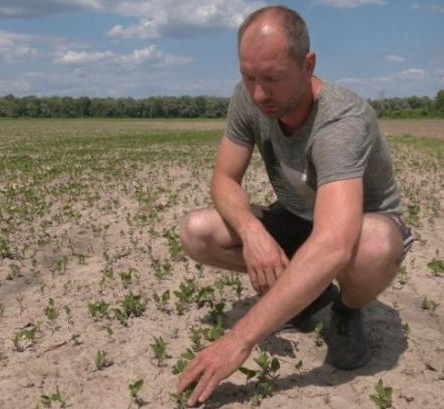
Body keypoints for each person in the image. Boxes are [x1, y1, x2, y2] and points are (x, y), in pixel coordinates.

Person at [175, 5, 414, 406]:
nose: (258, 94)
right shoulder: (249, 98)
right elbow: (224, 179)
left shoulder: (340, 121)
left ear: (308, 65)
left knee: (368, 246)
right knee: (197, 232)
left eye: (272, 79)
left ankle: (346, 310)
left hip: (359, 226)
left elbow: (335, 242)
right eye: (247, 76)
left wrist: (239, 340)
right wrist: (253, 233)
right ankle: (310, 295)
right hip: (299, 219)